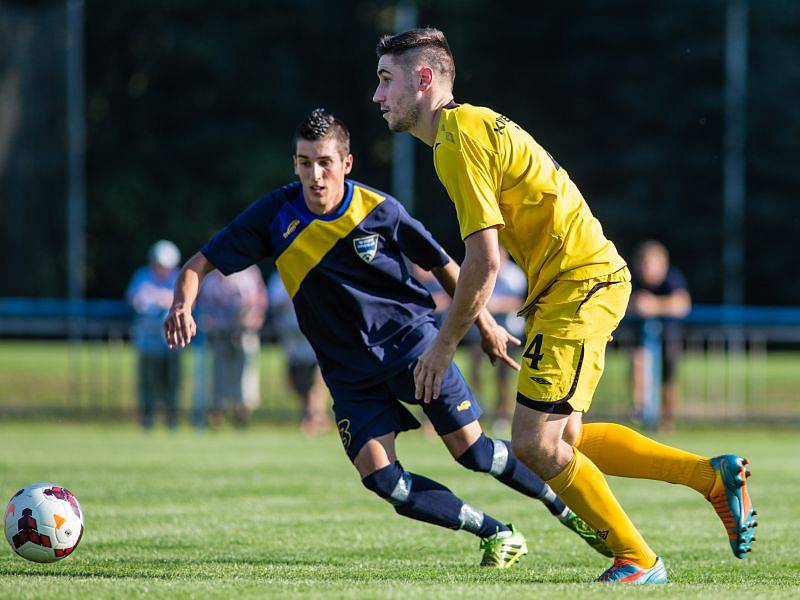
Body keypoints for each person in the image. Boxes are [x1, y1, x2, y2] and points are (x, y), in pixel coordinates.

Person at [372, 28, 756, 583]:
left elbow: (484, 260)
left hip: (578, 286)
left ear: (424, 79)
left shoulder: (458, 140)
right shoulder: (471, 126)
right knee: (566, 438)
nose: (378, 96)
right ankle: (710, 478)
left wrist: (443, 344)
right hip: (579, 285)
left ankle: (639, 560)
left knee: (533, 443)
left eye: (386, 80)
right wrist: (482, 324)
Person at [164, 108, 611, 568]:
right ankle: (496, 532)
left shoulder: (379, 210)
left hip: (412, 348)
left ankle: (564, 507)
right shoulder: (276, 215)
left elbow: (444, 264)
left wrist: (485, 323)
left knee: (473, 452)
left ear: (347, 163)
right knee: (383, 481)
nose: (314, 175)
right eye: (303, 163)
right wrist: (182, 304)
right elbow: (199, 263)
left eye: (324, 163)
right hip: (348, 373)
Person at [630, 240, 692, 430]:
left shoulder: (672, 278)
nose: (646, 269)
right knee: (638, 362)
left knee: (669, 378)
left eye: (651, 264)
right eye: (643, 264)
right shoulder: (632, 279)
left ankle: (667, 419)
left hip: (670, 336)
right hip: (642, 336)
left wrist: (653, 305)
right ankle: (640, 411)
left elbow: (682, 304)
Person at [196, 265, 267, 427]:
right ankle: (216, 413)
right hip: (219, 334)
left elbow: (261, 300)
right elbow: (204, 305)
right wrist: (209, 322)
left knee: (246, 374)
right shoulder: (212, 275)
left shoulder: (250, 272)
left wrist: (255, 319)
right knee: (218, 374)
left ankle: (242, 413)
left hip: (245, 332)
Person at [467, 248, 527, 437]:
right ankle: (479, 404)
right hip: (485, 330)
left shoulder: (514, 275)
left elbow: (520, 302)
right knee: (475, 366)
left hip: (509, 332)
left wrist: (497, 305)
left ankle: (502, 414)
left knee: (503, 377)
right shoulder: (484, 272)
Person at [266, 269, 331, 436]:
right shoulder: (279, 277)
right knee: (297, 382)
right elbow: (274, 302)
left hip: (313, 334)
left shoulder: (313, 269)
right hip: (292, 339)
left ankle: (314, 418)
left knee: (317, 379)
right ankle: (315, 416)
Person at [126, 240, 182, 429]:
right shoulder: (142, 276)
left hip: (172, 342)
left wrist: (158, 299)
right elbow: (136, 300)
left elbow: (186, 302)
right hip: (148, 341)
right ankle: (147, 420)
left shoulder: (178, 277)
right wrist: (164, 299)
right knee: (148, 384)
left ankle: (172, 421)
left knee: (171, 384)